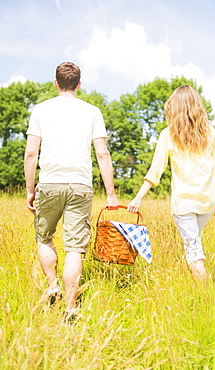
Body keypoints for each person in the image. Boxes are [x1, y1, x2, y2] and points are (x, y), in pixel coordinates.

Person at [24, 62, 119, 322]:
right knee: (75, 248)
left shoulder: (41, 110)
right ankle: (70, 308)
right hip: (80, 185)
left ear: (56, 83)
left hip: (50, 183)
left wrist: (30, 190)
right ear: (79, 84)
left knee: (44, 237)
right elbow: (102, 153)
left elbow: (31, 153)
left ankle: (52, 286)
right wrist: (110, 194)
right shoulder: (92, 112)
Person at [127, 85, 215, 281]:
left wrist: (138, 197)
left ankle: (204, 297)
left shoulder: (168, 134)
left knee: (194, 251)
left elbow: (156, 170)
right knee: (194, 243)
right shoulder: (211, 133)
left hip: (184, 203)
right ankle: (196, 282)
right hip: (207, 200)